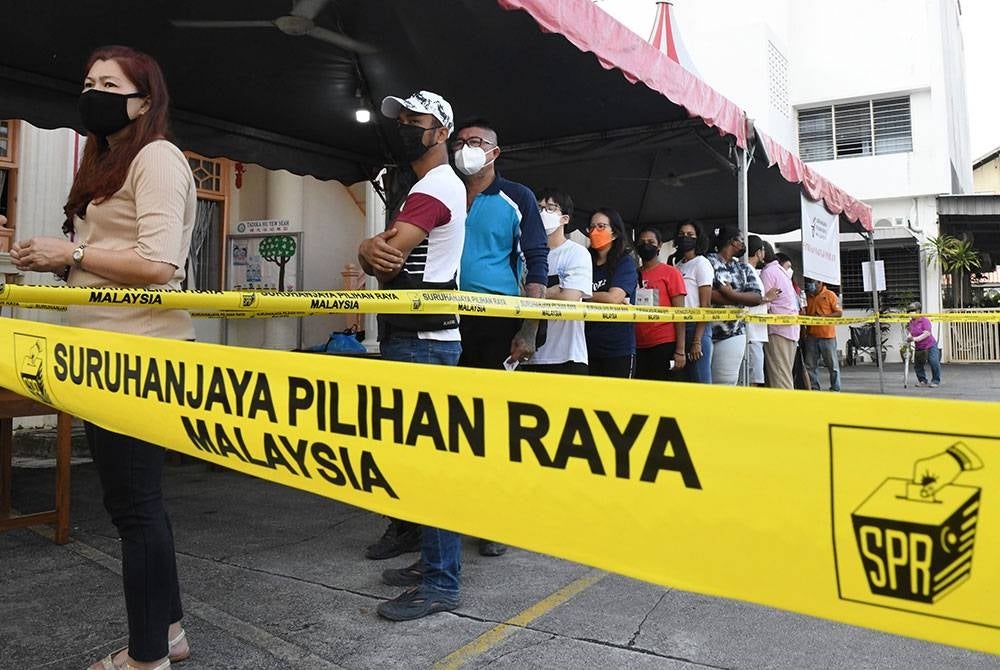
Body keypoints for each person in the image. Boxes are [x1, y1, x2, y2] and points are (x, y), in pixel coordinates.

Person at [11, 45, 194, 670]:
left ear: (144, 101)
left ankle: (147, 657)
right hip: (103, 351)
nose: (93, 92)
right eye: (89, 82)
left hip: (140, 355)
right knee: (135, 504)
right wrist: (61, 260)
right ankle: (168, 634)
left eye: (110, 85)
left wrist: (70, 255)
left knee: (135, 507)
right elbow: (107, 257)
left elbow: (159, 264)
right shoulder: (108, 158)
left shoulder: (157, 157)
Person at [357, 90, 466, 621]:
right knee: (420, 463)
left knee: (428, 467)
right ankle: (433, 563)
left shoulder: (436, 186)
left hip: (423, 341)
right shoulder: (428, 186)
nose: (403, 127)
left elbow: (387, 256)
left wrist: (366, 250)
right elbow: (381, 255)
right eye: (399, 120)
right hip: (417, 337)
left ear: (441, 132)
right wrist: (368, 250)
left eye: (413, 120)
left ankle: (442, 582)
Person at [453, 117, 548, 556]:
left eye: (476, 142)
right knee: (452, 422)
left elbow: (536, 262)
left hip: (497, 321)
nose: (466, 148)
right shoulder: (445, 193)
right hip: (444, 321)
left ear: (495, 152)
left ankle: (496, 519)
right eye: (460, 142)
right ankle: (450, 514)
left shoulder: (517, 197)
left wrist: (528, 328)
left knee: (493, 422)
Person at [520, 188, 591, 375]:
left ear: (564, 218)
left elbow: (570, 296)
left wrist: (533, 293)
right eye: (539, 208)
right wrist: (554, 290)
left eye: (550, 208)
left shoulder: (577, 253)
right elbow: (516, 292)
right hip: (527, 353)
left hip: (566, 356)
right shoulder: (524, 254)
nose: (543, 213)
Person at [705, 226, 765, 385]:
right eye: (741, 240)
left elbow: (756, 297)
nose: (743, 245)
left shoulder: (743, 268)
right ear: (733, 242)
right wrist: (741, 299)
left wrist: (731, 294)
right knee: (702, 382)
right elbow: (706, 293)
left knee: (726, 382)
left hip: (734, 331)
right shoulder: (707, 262)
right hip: (705, 331)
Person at [584, 208, 638, 377]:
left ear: (614, 233)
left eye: (601, 226)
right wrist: (601, 297)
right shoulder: (584, 261)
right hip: (586, 347)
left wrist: (581, 295)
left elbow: (613, 298)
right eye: (591, 227)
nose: (595, 231)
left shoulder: (625, 263)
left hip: (617, 349)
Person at [633, 226, 686, 380]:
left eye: (651, 242)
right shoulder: (633, 274)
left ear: (659, 245)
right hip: (637, 344)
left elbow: (680, 313)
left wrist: (680, 350)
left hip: (663, 343)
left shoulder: (671, 273)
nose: (646, 245)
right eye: (642, 242)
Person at [671, 220, 715, 383]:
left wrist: (697, 341)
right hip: (679, 327)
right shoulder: (678, 266)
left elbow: (705, 305)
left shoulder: (702, 263)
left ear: (698, 238)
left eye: (690, 235)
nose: (685, 238)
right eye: (681, 234)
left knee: (700, 381)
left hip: (696, 327)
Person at [759, 246, 800, 389]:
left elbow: (765, 302)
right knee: (784, 374)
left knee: (780, 378)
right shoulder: (780, 271)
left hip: (778, 330)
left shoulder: (768, 273)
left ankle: (786, 404)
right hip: (789, 329)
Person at [740, 236, 778, 386]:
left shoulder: (753, 271)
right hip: (751, 333)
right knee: (753, 379)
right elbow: (748, 297)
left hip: (757, 332)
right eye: (763, 250)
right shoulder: (747, 270)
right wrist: (767, 298)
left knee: (755, 377)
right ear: (758, 252)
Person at [802, 278, 843, 391]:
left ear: (820, 283)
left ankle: (835, 388)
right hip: (811, 336)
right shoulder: (807, 297)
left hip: (827, 336)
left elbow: (839, 313)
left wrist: (824, 317)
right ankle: (814, 388)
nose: (810, 285)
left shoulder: (830, 295)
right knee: (810, 365)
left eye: (812, 282)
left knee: (832, 365)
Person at [906, 301, 941, 387]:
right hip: (919, 347)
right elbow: (910, 332)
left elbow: (927, 333)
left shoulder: (924, 321)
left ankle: (935, 381)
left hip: (930, 345)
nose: (910, 312)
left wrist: (915, 339)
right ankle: (922, 380)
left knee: (934, 362)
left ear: (918, 311)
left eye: (912, 310)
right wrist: (909, 337)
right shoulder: (911, 322)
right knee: (918, 365)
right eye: (909, 311)